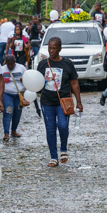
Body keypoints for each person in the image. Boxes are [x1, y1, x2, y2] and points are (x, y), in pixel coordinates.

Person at [36, 37, 82, 166]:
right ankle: (54, 157)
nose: (51, 51)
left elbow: (74, 83)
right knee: (50, 129)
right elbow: (37, 82)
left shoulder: (67, 64)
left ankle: (63, 149)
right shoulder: (43, 64)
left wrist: (78, 101)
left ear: (60, 49)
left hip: (63, 101)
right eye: (50, 48)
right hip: (47, 101)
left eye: (54, 48)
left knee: (62, 126)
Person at [0, 54, 29, 141]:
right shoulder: (2, 69)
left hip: (19, 95)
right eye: (8, 64)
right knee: (8, 112)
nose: (10, 66)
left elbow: (29, 78)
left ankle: (14, 131)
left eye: (12, 64)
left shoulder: (21, 68)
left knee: (17, 113)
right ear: (5, 63)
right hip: (7, 94)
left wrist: (24, 79)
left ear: (15, 62)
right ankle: (6, 133)